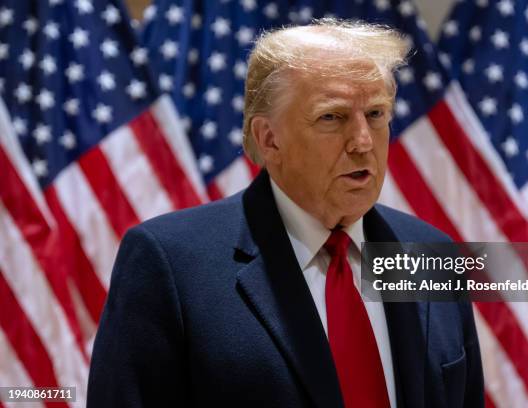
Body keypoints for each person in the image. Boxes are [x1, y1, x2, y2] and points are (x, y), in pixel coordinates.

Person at [87, 19, 484, 408]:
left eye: (376, 114)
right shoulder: (170, 264)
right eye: (332, 117)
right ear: (269, 139)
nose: (363, 141)